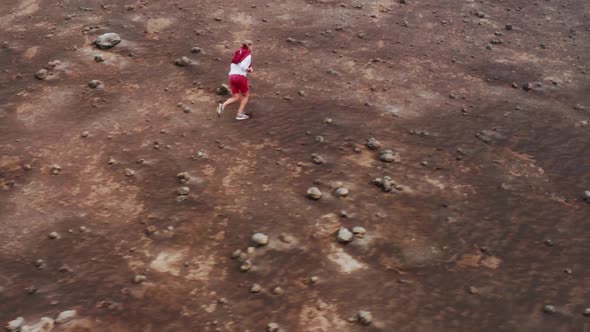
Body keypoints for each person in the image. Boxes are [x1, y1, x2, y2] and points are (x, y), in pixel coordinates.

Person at [217, 40, 253, 120]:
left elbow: (234, 64)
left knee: (236, 97)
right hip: (240, 77)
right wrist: (249, 70)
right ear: (249, 46)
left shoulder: (237, 53)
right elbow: (243, 66)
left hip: (231, 76)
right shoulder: (247, 55)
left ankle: (222, 106)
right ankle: (239, 115)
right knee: (245, 96)